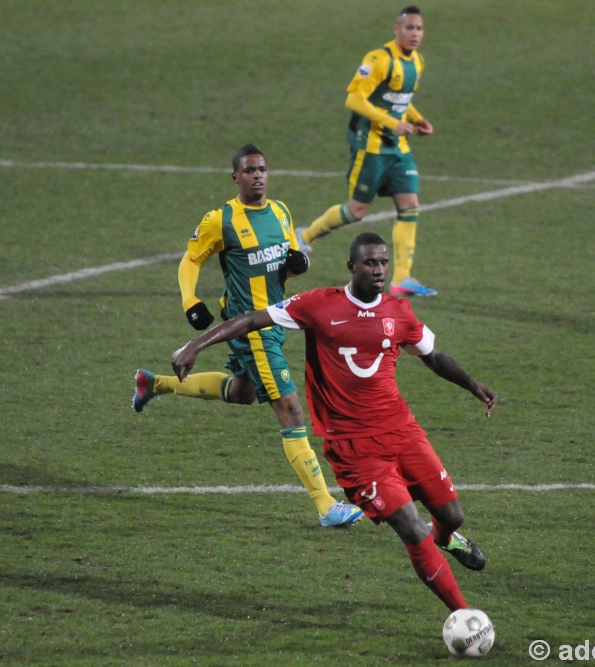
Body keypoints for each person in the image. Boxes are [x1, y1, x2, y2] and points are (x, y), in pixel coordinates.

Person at [171, 232, 498, 613]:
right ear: (352, 267)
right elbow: (251, 320)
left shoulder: (399, 312)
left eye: (383, 263)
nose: (379, 270)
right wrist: (194, 346)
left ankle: (447, 538)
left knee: (452, 516)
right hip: (353, 449)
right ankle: (464, 615)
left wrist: (473, 385)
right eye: (370, 263)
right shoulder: (319, 305)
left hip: (402, 432)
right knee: (412, 528)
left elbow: (433, 355)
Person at [132, 144, 363, 528]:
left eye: (262, 169)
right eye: (249, 170)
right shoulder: (220, 219)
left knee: (243, 392)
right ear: (236, 177)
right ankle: (325, 505)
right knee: (290, 410)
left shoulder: (280, 211)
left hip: (276, 320)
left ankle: (153, 384)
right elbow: (191, 259)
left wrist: (298, 261)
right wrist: (191, 301)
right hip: (251, 328)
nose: (257, 175)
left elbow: (287, 258)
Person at [296, 6, 438, 297]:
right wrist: (391, 122)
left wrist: (414, 118)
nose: (414, 34)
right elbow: (355, 99)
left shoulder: (417, 62)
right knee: (357, 210)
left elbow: (398, 99)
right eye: (409, 28)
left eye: (419, 29)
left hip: (397, 148)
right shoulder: (379, 60)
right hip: (371, 146)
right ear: (397, 29)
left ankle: (402, 279)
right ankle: (305, 235)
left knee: (410, 205)